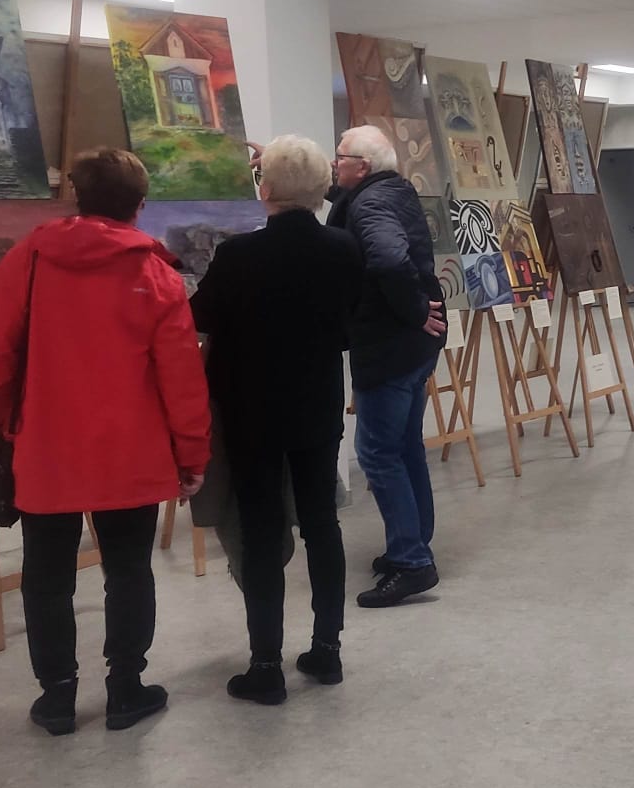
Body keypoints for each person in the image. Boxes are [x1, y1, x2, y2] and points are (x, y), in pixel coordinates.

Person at [0, 148, 210, 736]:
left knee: (46, 574)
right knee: (129, 570)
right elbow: (181, 377)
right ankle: (126, 688)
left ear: (74, 196)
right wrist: (191, 454)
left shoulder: (27, 260)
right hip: (131, 450)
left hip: (45, 445)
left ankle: (56, 697)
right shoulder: (155, 274)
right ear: (140, 205)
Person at [190, 135, 359, 705]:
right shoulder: (342, 249)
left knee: (260, 531)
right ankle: (327, 649)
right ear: (320, 189)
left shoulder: (238, 255)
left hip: (252, 411)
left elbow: (200, 316)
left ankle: (266, 664)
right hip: (317, 404)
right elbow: (347, 326)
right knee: (321, 524)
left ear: (265, 189)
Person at [328, 124, 450, 608]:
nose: (334, 164)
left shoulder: (371, 205)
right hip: (413, 346)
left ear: (361, 167)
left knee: (378, 453)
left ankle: (412, 562)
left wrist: (414, 311)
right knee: (404, 446)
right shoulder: (390, 191)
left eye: (340, 157)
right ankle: (414, 542)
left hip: (390, 345)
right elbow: (348, 204)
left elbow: (389, 260)